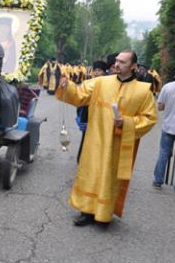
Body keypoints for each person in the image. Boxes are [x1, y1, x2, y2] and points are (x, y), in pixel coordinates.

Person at [56, 51, 157, 227]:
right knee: (91, 174)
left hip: (119, 144)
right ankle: (86, 212)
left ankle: (104, 214)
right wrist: (67, 86)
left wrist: (126, 122)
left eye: (122, 62)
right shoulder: (100, 82)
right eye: (116, 61)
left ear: (133, 66)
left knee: (110, 178)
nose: (117, 65)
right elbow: (79, 95)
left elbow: (149, 118)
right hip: (95, 139)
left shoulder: (143, 91)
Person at [153, 67, 175, 193]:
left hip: (168, 125)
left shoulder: (168, 86)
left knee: (164, 152)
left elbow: (160, 107)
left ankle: (158, 181)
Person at [75, 60, 108, 163]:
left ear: (104, 72)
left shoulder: (108, 84)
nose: (97, 73)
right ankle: (82, 160)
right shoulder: (87, 83)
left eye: (99, 70)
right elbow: (80, 99)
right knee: (86, 137)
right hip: (87, 114)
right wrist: (79, 114)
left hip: (101, 116)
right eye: (95, 70)